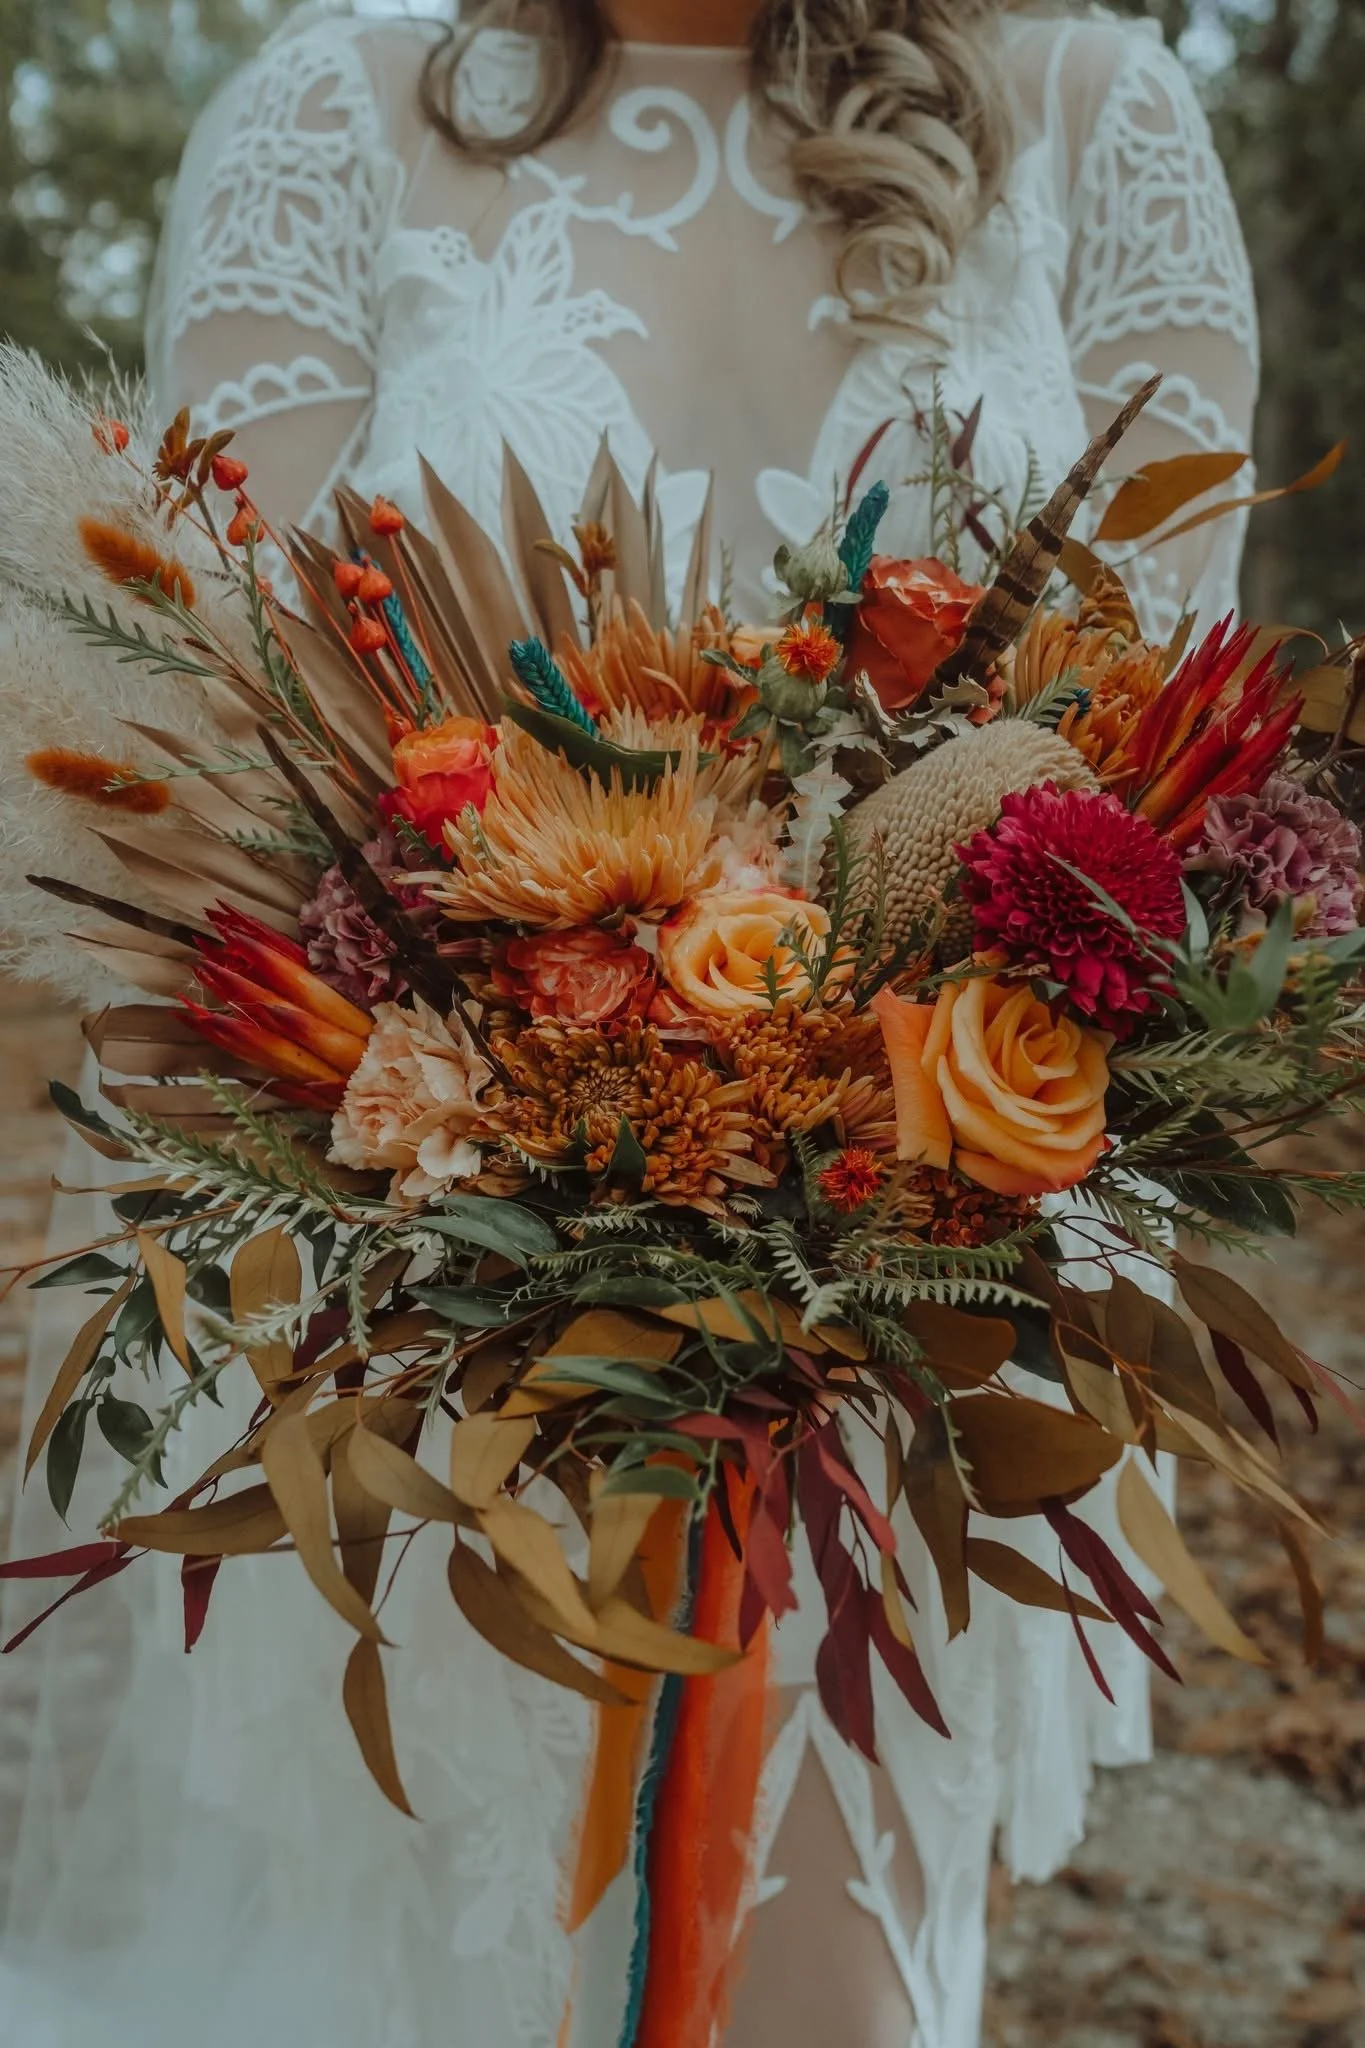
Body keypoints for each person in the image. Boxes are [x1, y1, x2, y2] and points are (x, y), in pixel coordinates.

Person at [0, 3, 1257, 2044]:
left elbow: (1151, 808)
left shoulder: (1097, 121)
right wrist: (554, 1131)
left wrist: (856, 1142)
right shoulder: (327, 122)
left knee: (834, 1984)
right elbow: (254, 794)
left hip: (943, 1285)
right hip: (436, 1310)